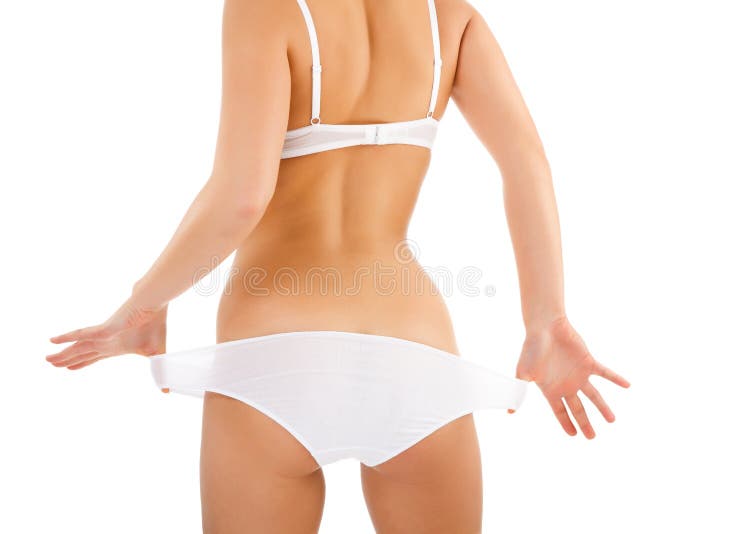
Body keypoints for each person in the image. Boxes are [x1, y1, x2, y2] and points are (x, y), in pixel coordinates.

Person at [45, 0, 630, 532]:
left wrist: (144, 304)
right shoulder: (451, 17)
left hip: (275, 353)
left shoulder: (264, 9)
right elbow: (526, 162)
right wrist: (546, 319)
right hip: (414, 355)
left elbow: (240, 197)